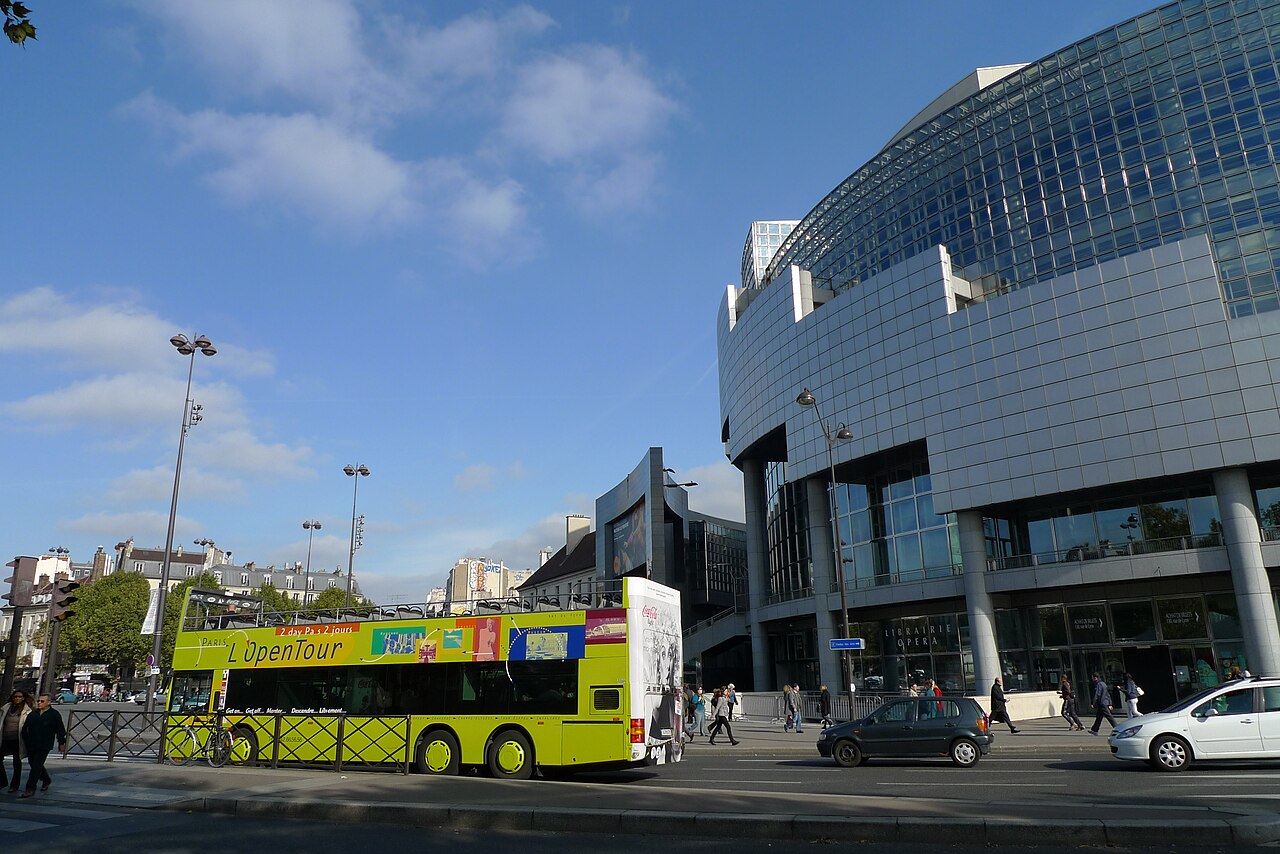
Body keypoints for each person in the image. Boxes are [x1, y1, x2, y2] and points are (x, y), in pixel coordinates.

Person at [20, 694, 67, 797]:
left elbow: (60, 730)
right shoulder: (33, 714)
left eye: (42, 701)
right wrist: (26, 739)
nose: (39, 703)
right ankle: (46, 779)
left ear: (48, 702)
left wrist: (61, 743)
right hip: (32, 743)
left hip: (44, 744)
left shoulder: (54, 714)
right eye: (38, 701)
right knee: (33, 764)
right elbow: (25, 727)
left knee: (36, 766)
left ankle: (30, 788)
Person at [0, 690, 32, 792]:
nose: (17, 698)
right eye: (15, 696)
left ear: (23, 698)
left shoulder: (26, 710)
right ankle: (3, 781)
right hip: (4, 738)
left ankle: (15, 785)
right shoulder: (6, 708)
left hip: (17, 739)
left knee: (16, 762)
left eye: (19, 697)